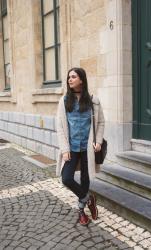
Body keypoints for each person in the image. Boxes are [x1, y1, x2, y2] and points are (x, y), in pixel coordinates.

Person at [56, 67, 105, 225]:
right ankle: (89, 199)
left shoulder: (93, 100)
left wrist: (98, 141)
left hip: (87, 148)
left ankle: (81, 211)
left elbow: (101, 122)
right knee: (67, 178)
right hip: (71, 148)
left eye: (73, 77)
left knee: (85, 178)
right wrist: (64, 149)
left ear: (81, 80)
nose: (70, 79)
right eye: (68, 77)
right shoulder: (64, 101)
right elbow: (60, 127)